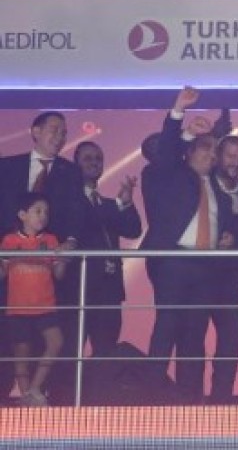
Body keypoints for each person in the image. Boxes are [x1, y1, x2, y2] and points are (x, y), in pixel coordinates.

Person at [140, 87, 234, 402]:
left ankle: (190, 397)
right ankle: (152, 395)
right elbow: (167, 153)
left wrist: (226, 236)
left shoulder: (217, 186)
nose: (210, 155)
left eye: (213, 151)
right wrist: (179, 112)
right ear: (189, 153)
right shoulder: (172, 175)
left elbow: (219, 218)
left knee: (195, 332)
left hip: (205, 264)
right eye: (203, 150)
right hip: (173, 261)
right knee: (167, 324)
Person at [0, 111, 88, 403]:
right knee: (13, 340)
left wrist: (69, 244)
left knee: (51, 337)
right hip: (9, 265)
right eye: (54, 129)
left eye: (64, 132)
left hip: (48, 273)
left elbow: (76, 214)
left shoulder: (70, 171)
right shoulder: (7, 166)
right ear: (35, 131)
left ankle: (40, 393)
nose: (60, 136)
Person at [73, 141, 142, 360]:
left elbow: (133, 230)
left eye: (98, 158)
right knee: (72, 351)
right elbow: (88, 222)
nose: (94, 162)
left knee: (106, 354)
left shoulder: (109, 204)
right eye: (88, 158)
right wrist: (117, 206)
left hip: (109, 288)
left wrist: (125, 203)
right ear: (75, 165)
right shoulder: (70, 201)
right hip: (80, 287)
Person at [0, 193, 69, 406]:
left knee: (56, 342)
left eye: (46, 212)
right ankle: (25, 397)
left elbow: (59, 275)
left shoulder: (51, 240)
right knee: (22, 354)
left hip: (45, 305)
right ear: (22, 215)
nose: (43, 216)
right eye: (37, 211)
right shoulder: (9, 240)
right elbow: (2, 274)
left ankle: (34, 389)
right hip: (18, 308)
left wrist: (63, 258)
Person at [208, 135, 238, 404]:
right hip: (201, 275)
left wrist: (235, 241)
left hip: (232, 278)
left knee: (230, 341)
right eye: (231, 156)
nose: (236, 163)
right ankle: (188, 402)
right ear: (218, 156)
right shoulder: (203, 184)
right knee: (192, 340)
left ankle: (221, 400)